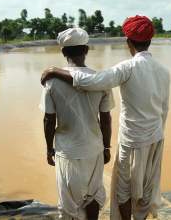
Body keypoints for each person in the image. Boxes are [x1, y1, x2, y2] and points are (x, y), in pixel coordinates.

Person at [41, 16, 171, 220]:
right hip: (154, 137)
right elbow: (164, 109)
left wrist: (53, 70)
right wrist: (106, 147)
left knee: (123, 189)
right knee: (146, 186)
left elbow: (92, 82)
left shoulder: (127, 68)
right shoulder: (164, 71)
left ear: (128, 41)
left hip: (130, 140)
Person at [39, 27, 115, 220]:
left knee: (68, 201)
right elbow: (106, 119)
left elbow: (49, 119)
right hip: (94, 148)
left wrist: (49, 149)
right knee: (94, 194)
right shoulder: (100, 81)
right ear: (86, 50)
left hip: (67, 151)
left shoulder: (52, 82)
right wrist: (106, 146)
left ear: (63, 52)